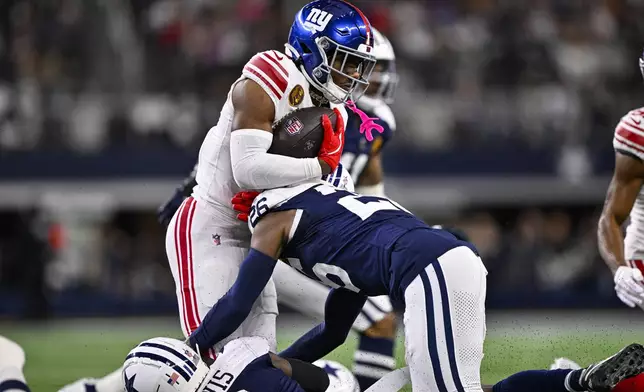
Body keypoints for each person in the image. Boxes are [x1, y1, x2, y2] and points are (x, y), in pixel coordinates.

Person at [59, 1, 378, 391]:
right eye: (344, 60)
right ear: (312, 48)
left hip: (259, 237)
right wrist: (323, 170)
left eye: (358, 64)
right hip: (210, 224)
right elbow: (247, 169)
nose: (353, 73)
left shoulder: (335, 114)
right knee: (212, 372)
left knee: (253, 368)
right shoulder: (270, 76)